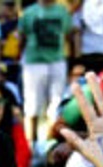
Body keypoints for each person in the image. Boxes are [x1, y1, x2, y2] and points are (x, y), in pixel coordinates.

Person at [19, 0, 73, 145]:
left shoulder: (63, 11)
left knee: (56, 105)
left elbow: (68, 35)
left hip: (57, 61)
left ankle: (51, 144)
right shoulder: (29, 12)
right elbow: (22, 38)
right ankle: (31, 147)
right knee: (32, 107)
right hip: (33, 62)